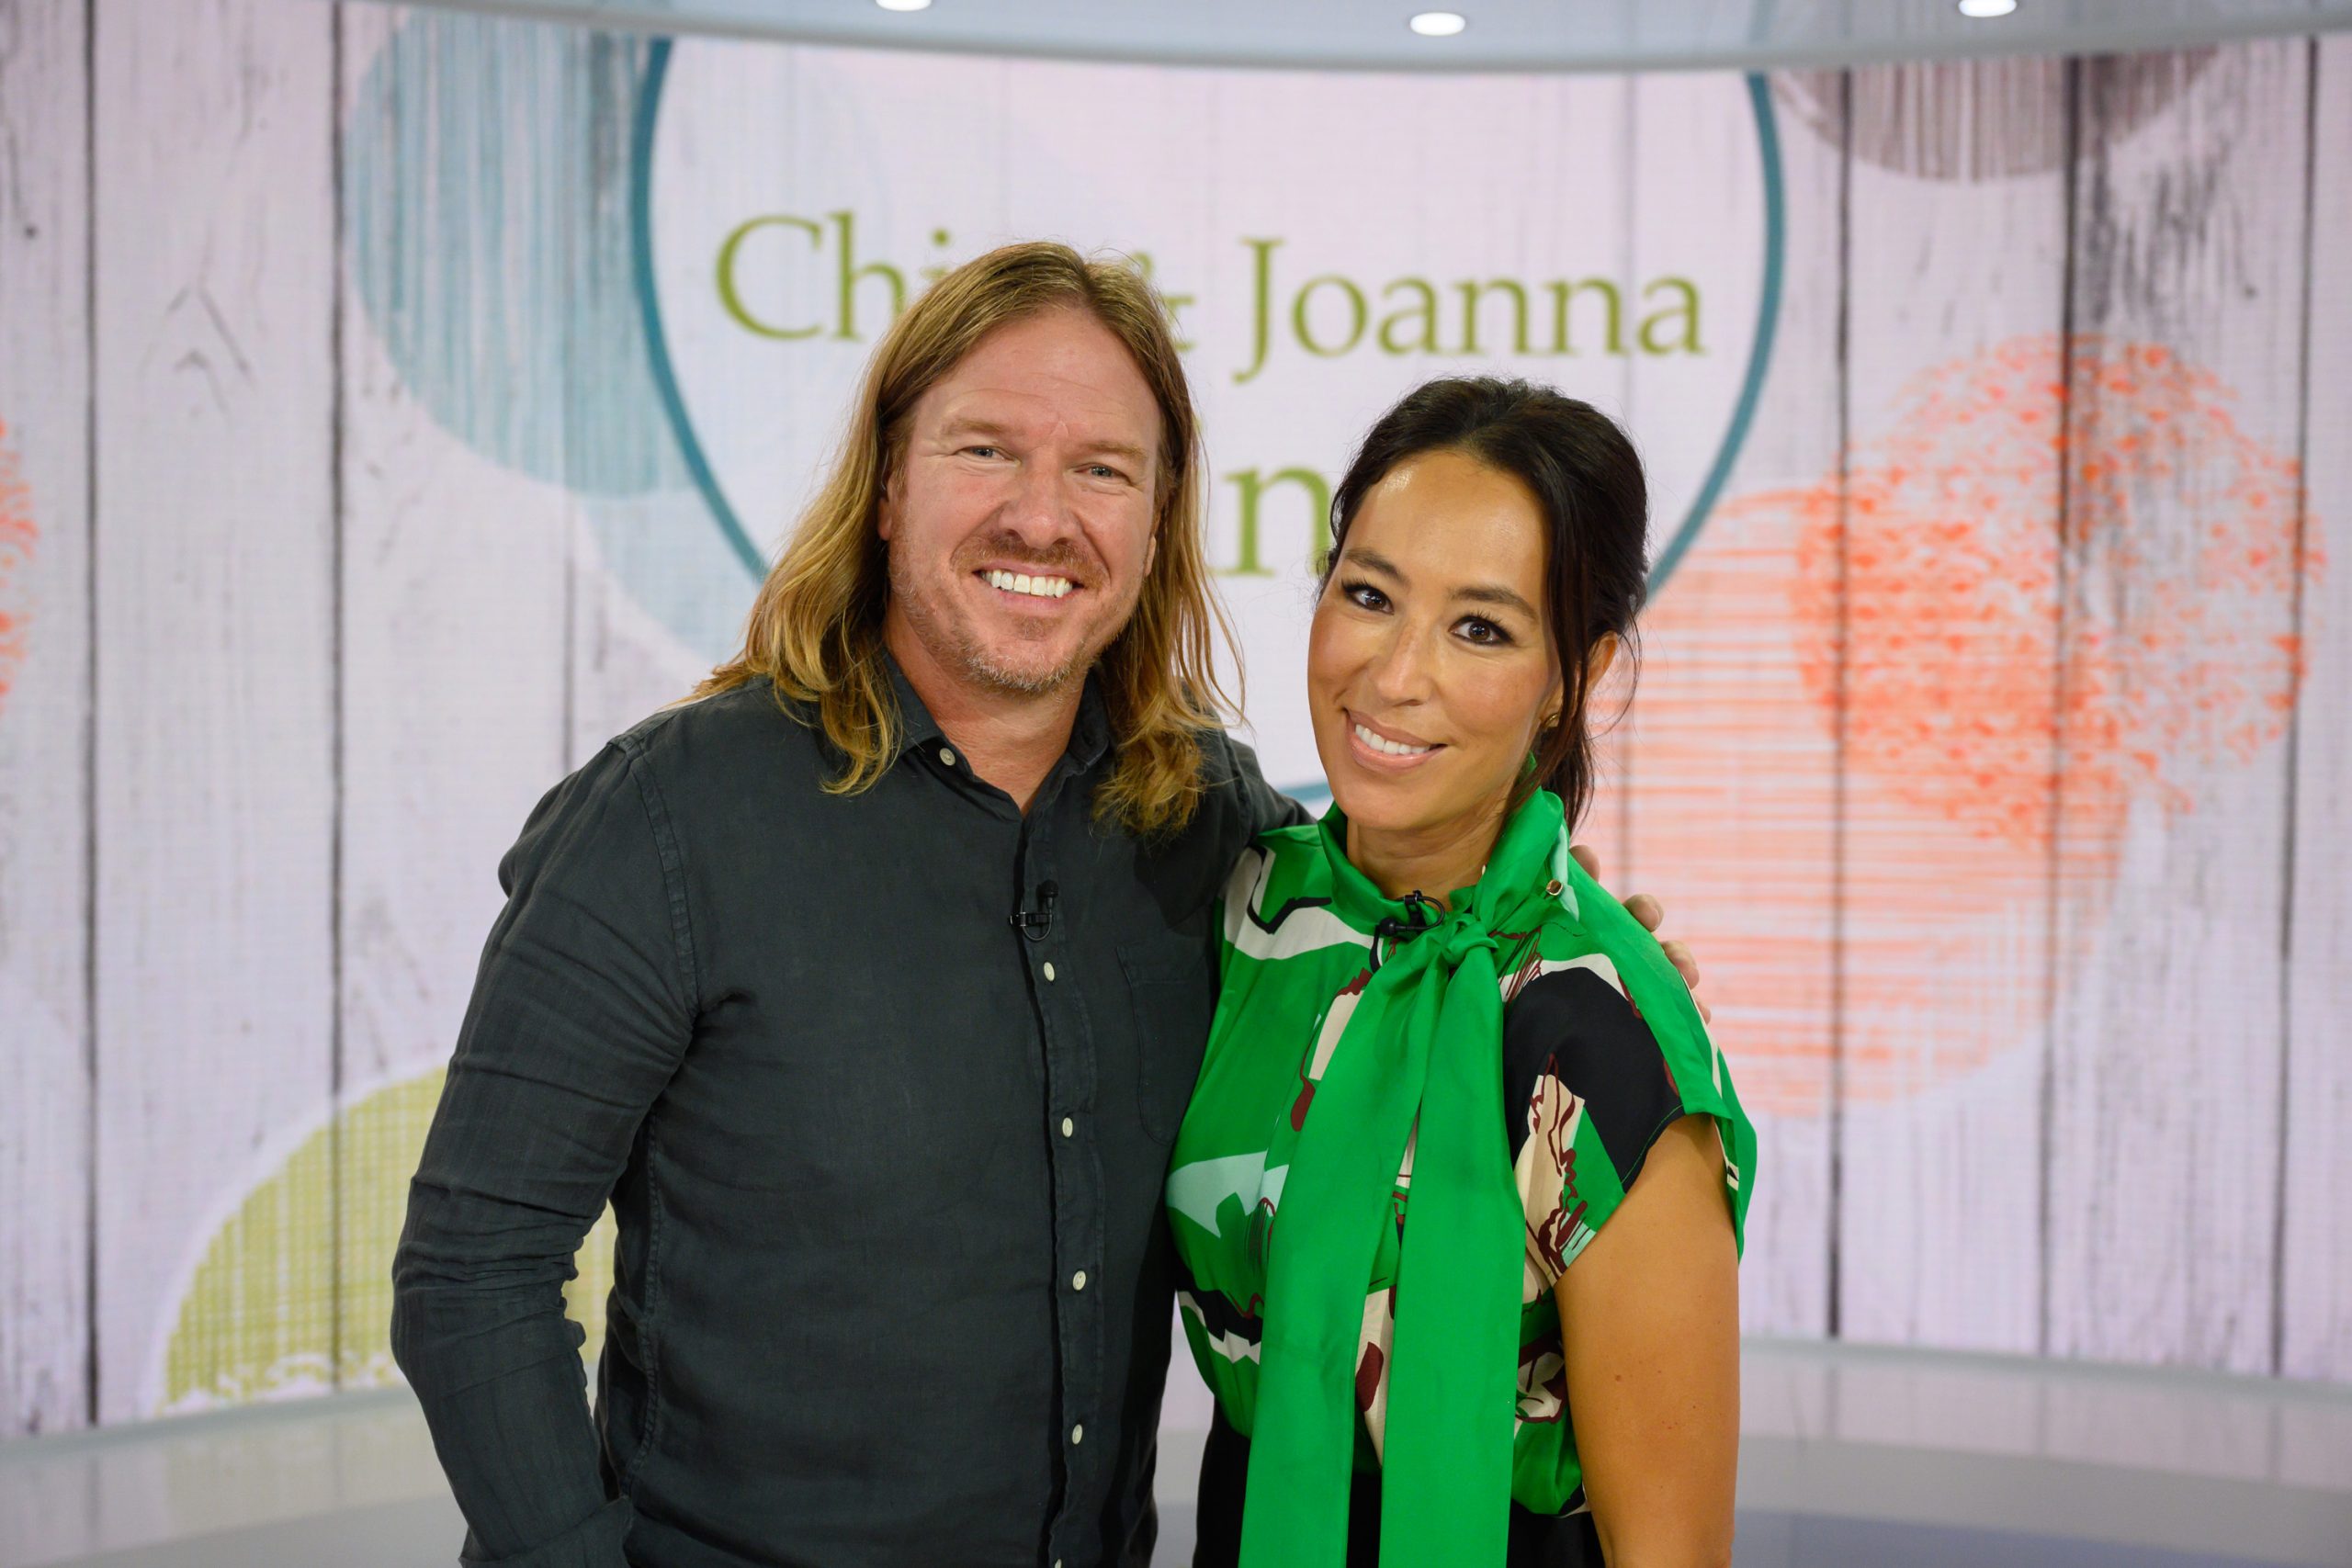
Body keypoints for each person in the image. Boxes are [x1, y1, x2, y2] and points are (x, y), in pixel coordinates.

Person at [391, 244, 1704, 1568]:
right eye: (984, 452)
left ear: (1156, 520)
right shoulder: (666, 824)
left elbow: (1410, 928)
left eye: (1101, 470)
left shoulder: (1211, 826)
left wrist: (1603, 978)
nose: (1040, 516)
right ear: (889, 485)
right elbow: (470, 1279)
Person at [1169, 378, 1751, 1568]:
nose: (1394, 675)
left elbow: (1671, 1552)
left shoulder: (1602, 1033)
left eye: (1480, 627)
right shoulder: (1242, 916)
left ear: (1573, 675)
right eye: (1370, 595)